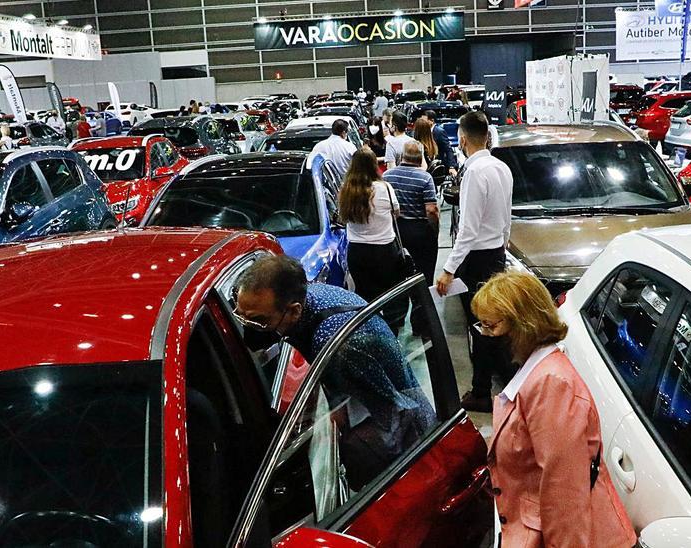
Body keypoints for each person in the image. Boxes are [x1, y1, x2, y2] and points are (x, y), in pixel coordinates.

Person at [233, 255, 436, 487]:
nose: (249, 328)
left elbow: (389, 411)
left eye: (259, 321)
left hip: (403, 436)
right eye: (240, 316)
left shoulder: (336, 343)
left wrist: (320, 429)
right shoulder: (311, 295)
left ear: (294, 311)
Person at [471, 272, 637, 548]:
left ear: (522, 326)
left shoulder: (551, 385)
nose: (485, 335)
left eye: (490, 327)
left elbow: (566, 497)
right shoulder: (532, 375)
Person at [437, 111, 514, 412]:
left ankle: (482, 391)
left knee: (482, 328)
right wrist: (503, 249)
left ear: (463, 139)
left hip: (478, 260)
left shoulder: (474, 172)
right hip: (496, 255)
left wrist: (448, 269)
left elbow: (467, 230)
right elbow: (507, 217)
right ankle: (500, 386)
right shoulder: (501, 168)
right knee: (494, 325)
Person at [338, 148, 407, 330]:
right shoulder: (384, 188)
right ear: (373, 166)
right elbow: (396, 213)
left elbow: (341, 217)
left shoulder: (346, 191)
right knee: (389, 294)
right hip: (384, 250)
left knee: (364, 294)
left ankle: (371, 330)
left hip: (357, 252)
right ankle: (391, 332)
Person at [383, 142, 439, 285]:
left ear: (402, 156)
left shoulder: (386, 176)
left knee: (398, 272)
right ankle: (423, 302)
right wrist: (435, 229)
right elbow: (431, 210)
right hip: (420, 231)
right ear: (420, 158)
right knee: (424, 271)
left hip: (395, 231)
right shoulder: (425, 178)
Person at [310, 119, 358, 194]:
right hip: (348, 188)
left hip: (324, 191)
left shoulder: (319, 146)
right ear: (343, 132)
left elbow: (310, 166)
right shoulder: (350, 147)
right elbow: (358, 168)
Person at [415, 114, 456, 183]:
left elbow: (448, 149)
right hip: (433, 179)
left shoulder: (418, 147)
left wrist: (451, 166)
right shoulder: (433, 145)